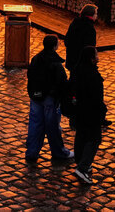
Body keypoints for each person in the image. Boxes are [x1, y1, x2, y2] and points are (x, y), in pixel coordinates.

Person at [24, 35, 75, 163]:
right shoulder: (55, 63)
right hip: (50, 98)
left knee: (35, 125)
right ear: (54, 46)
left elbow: (30, 74)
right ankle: (59, 152)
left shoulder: (36, 59)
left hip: (36, 97)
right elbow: (62, 82)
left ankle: (32, 152)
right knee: (53, 127)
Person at [72, 46, 106, 186]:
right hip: (91, 113)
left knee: (81, 136)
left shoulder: (76, 71)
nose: (98, 57)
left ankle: (81, 161)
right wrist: (102, 112)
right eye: (96, 55)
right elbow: (96, 99)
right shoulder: (93, 76)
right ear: (92, 59)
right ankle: (83, 167)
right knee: (94, 139)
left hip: (79, 111)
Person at [64, 4, 98, 73]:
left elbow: (67, 40)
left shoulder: (75, 23)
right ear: (91, 15)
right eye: (96, 14)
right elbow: (90, 48)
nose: (97, 16)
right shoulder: (90, 28)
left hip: (71, 60)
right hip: (82, 64)